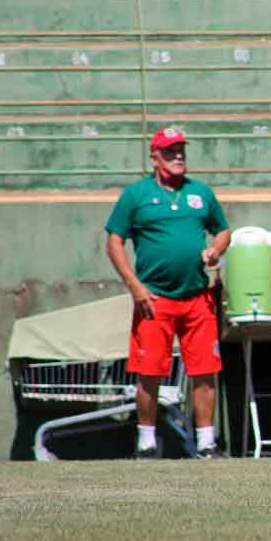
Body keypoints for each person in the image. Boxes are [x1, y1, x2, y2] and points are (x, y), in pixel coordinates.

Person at [105, 127, 231, 459]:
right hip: (154, 299)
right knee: (150, 372)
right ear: (155, 156)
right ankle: (146, 441)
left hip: (197, 297)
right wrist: (135, 285)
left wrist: (216, 249)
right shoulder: (136, 195)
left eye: (181, 150)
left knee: (206, 369)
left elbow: (223, 230)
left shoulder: (200, 193)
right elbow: (114, 240)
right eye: (170, 150)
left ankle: (206, 441)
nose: (178, 156)